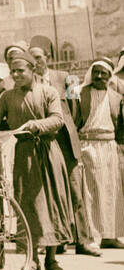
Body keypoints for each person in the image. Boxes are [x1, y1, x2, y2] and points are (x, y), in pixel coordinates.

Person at [0, 48, 75, 270]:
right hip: (24, 156)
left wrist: (37, 125)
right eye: (12, 71)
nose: (16, 75)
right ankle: (32, 260)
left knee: (52, 204)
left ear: (32, 69)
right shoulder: (7, 96)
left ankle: (52, 259)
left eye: (20, 71)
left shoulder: (49, 92)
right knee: (29, 207)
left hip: (48, 153)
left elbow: (57, 119)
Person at [30, 45, 92, 255]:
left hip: (66, 141)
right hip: (44, 142)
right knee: (52, 191)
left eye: (38, 57)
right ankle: (59, 240)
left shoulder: (68, 77)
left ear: (47, 57)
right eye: (32, 58)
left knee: (76, 191)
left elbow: (79, 110)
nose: (36, 62)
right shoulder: (29, 84)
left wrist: (69, 128)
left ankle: (83, 241)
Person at [71, 59, 124, 250]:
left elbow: (119, 126)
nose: (99, 76)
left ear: (110, 76)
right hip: (88, 147)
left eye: (104, 73)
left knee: (111, 191)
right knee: (90, 193)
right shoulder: (78, 93)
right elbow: (73, 121)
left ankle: (110, 235)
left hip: (109, 148)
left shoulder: (117, 97)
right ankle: (92, 236)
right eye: (96, 72)